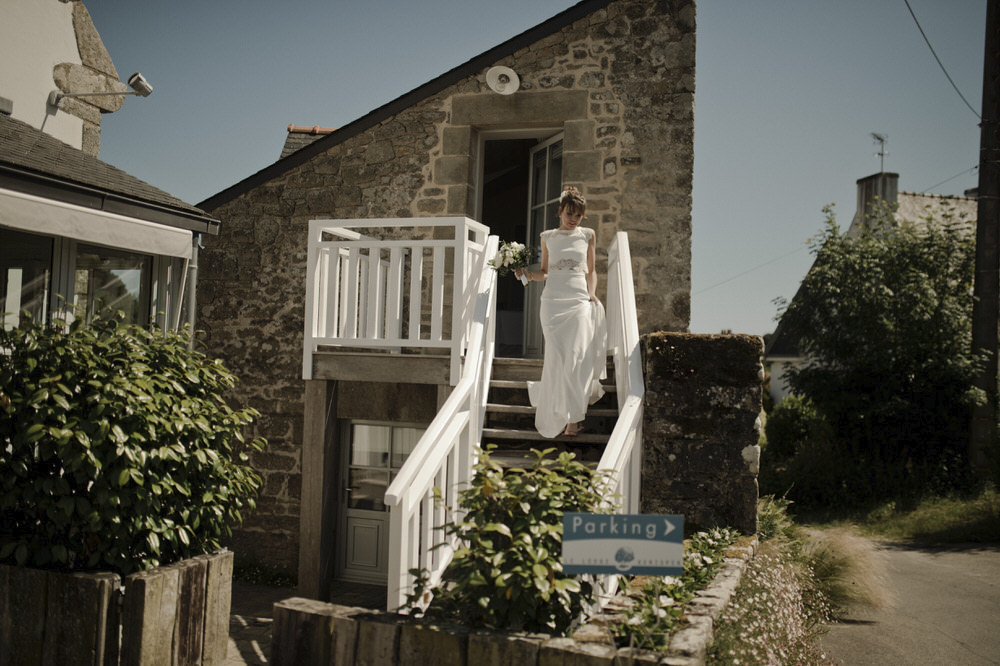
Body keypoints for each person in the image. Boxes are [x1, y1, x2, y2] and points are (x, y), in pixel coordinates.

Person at [514, 186, 607, 438]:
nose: (573, 219)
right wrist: (526, 275)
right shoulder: (547, 237)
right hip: (552, 303)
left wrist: (591, 292)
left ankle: (573, 420)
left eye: (577, 215)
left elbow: (592, 269)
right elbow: (544, 272)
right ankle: (562, 413)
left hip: (578, 301)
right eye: (569, 213)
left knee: (576, 357)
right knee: (557, 357)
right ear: (560, 211)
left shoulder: (588, 235)